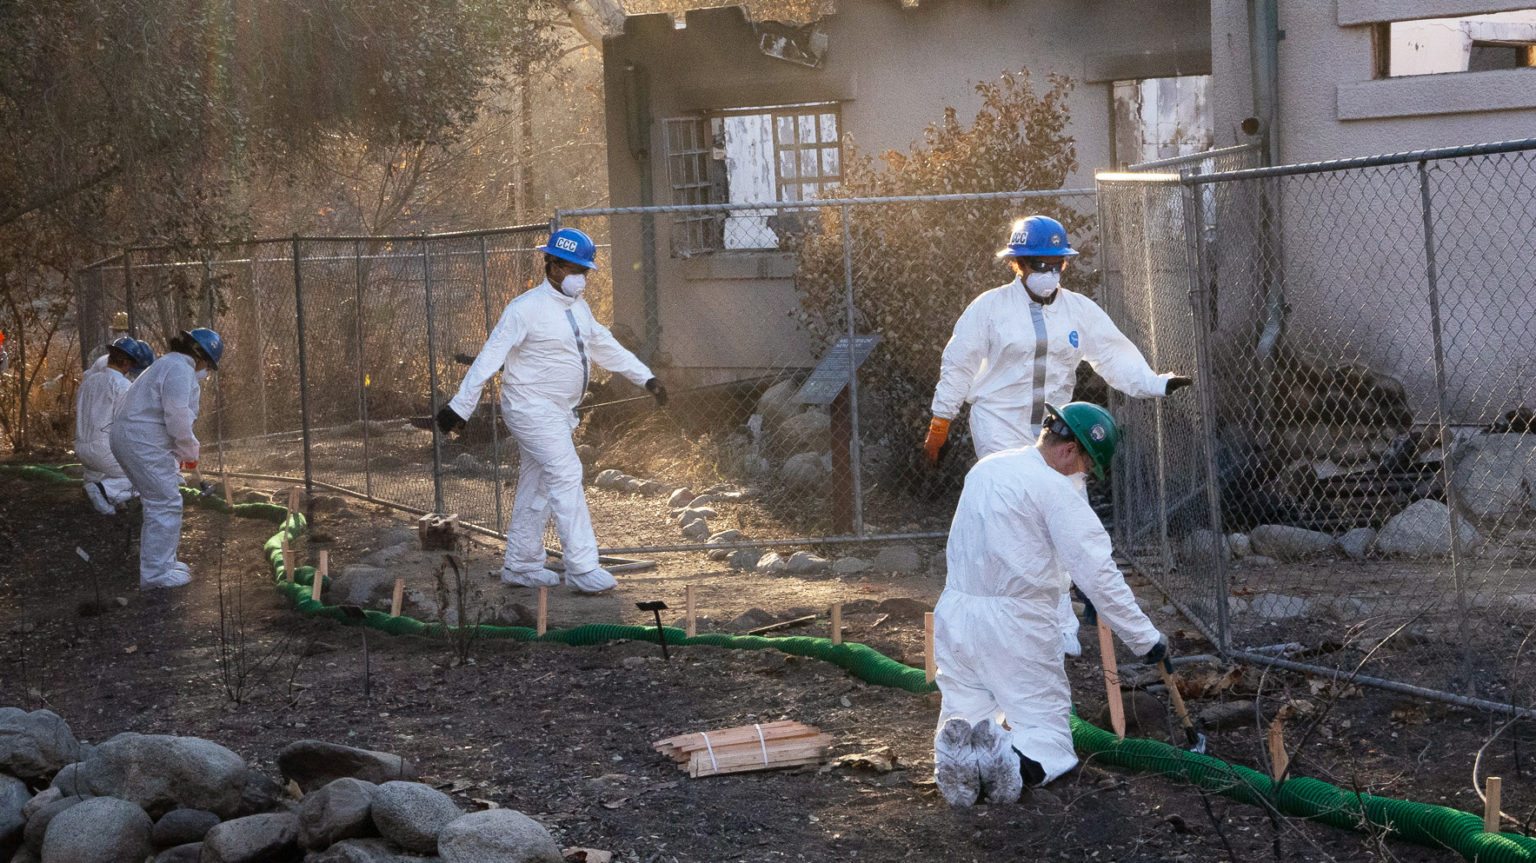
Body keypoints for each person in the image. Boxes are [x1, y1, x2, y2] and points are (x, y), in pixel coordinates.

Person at [923, 214, 1192, 655]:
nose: (1047, 272)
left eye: (1054, 263)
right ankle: (1014, 619)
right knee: (1017, 520)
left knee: (1067, 517)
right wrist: (941, 419)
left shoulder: (1078, 311)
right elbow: (959, 364)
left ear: (1064, 264)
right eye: (1037, 264)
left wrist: (1154, 383)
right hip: (999, 424)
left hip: (1055, 431)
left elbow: (1113, 355)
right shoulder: (989, 308)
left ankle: (1062, 622)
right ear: (1017, 265)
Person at [932, 402, 1167, 807]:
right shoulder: (1056, 490)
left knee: (966, 712)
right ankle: (1014, 766)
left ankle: (959, 766)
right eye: (1086, 466)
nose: (1083, 475)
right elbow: (1100, 574)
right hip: (1015, 624)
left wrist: (1065, 582)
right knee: (1047, 730)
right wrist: (1146, 639)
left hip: (956, 614)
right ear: (1070, 449)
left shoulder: (987, 469)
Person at [436, 228, 667, 595]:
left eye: (585, 271)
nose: (582, 278)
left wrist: (646, 378)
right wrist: (459, 407)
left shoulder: (578, 308)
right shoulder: (525, 309)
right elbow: (490, 357)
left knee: (538, 483)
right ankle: (583, 568)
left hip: (558, 413)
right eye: (577, 270)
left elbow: (603, 345)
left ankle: (522, 565)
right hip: (529, 408)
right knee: (566, 472)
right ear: (555, 267)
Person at [110, 328, 223, 590]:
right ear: (199, 356)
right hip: (141, 442)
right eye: (208, 365)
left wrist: (183, 448)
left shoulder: (169, 364)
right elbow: (177, 415)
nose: (206, 372)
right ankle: (156, 574)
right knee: (164, 503)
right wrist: (188, 447)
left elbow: (165, 414)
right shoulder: (180, 370)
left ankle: (164, 564)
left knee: (161, 501)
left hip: (136, 439)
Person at [75, 337, 155, 514]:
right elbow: (130, 424)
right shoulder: (122, 385)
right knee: (146, 473)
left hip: (81, 449)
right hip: (104, 451)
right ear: (127, 363)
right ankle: (104, 491)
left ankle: (103, 498)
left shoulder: (89, 381)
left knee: (103, 483)